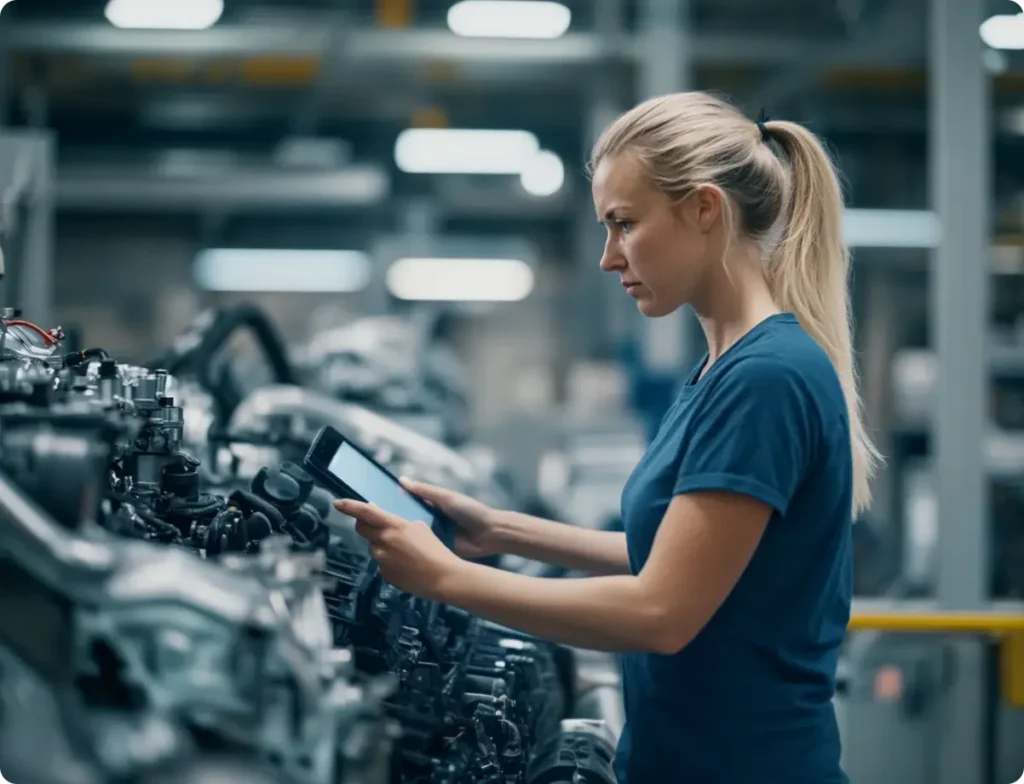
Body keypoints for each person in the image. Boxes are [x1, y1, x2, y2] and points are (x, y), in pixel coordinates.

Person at [335, 91, 880, 784]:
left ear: (704, 210)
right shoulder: (726, 369)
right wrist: (499, 531)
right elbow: (680, 557)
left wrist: (448, 578)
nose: (607, 256)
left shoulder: (765, 378)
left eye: (624, 224)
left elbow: (661, 611)